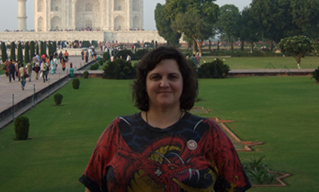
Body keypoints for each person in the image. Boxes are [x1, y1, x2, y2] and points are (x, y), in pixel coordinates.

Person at [79, 46, 251, 192]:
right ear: (144, 84)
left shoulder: (208, 132)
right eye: (156, 77)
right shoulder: (119, 130)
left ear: (184, 83)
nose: (164, 84)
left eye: (173, 77)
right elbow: (92, 186)